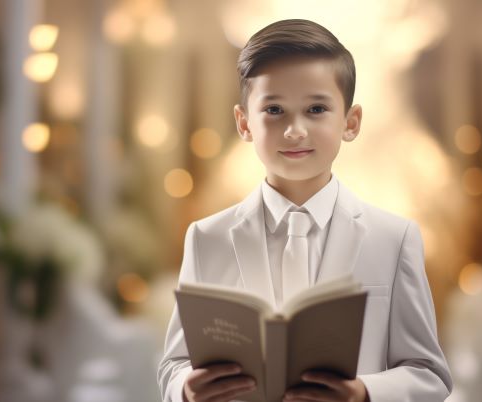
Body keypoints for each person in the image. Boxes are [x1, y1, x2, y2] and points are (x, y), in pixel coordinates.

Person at [157, 19, 452, 402]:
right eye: (274, 109)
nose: (295, 130)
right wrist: (184, 388)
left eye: (315, 109)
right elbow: (173, 364)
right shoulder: (206, 237)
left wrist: (365, 393)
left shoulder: (394, 238)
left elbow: (430, 373)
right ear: (244, 123)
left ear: (351, 121)